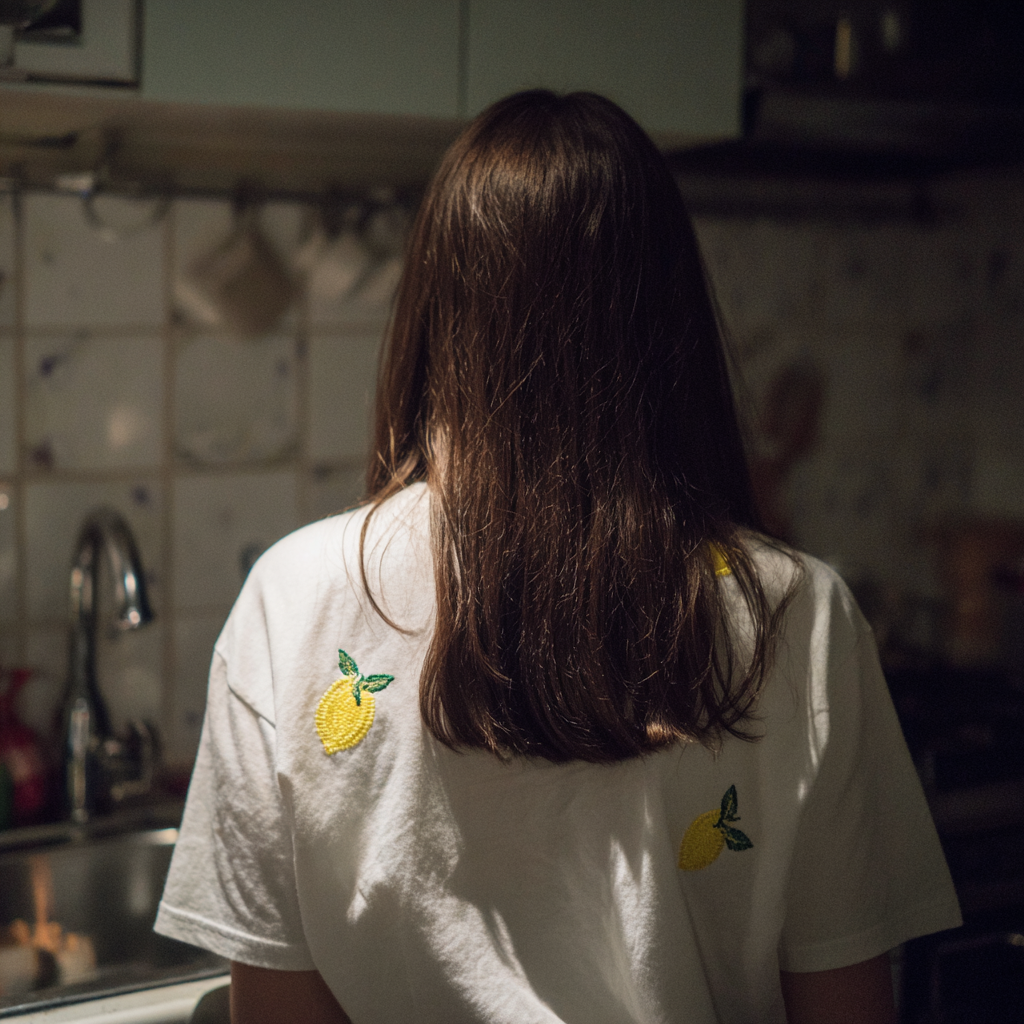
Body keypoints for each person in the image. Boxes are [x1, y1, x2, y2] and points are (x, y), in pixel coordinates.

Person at [155, 91, 961, 1024]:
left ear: (434, 307)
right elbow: (846, 1009)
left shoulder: (294, 598)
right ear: (670, 314)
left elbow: (282, 1015)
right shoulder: (799, 612)